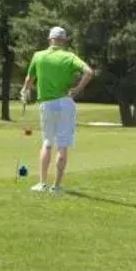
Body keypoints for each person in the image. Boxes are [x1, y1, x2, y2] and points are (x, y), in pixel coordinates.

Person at [21, 27, 94, 193]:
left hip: (47, 104)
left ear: (49, 40)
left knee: (47, 143)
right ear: (64, 41)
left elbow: (29, 79)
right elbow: (89, 72)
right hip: (66, 103)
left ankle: (42, 183)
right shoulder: (69, 56)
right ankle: (56, 186)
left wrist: (24, 92)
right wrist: (77, 89)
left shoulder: (38, 56)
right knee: (62, 145)